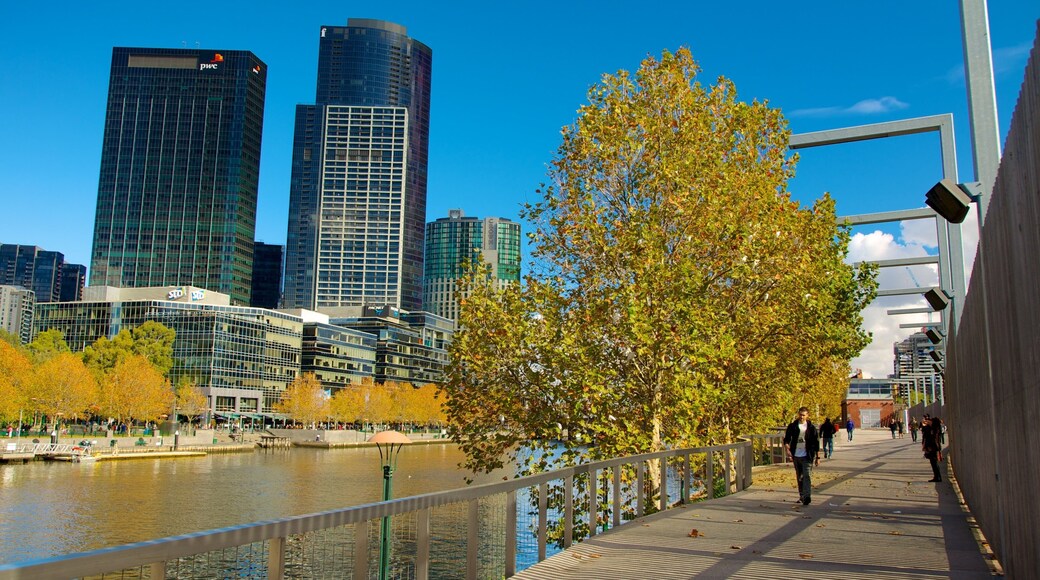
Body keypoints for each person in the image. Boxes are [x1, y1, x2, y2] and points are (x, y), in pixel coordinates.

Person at [783, 407, 821, 505]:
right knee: (800, 476)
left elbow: (816, 443)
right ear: (798, 414)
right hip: (796, 455)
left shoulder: (811, 427)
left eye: (804, 415)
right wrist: (788, 449)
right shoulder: (793, 426)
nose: (802, 417)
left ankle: (807, 496)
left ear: (807, 415)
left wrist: (817, 457)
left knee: (807, 475)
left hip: (807, 455)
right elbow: (786, 440)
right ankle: (802, 495)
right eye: (800, 415)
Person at [921, 416, 943, 482]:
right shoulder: (931, 428)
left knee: (934, 462)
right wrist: (924, 425)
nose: (929, 422)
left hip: (933, 448)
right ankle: (937, 476)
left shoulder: (935, 429)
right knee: (933, 462)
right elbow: (925, 432)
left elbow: (933, 438)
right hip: (931, 447)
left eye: (930, 421)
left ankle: (938, 477)